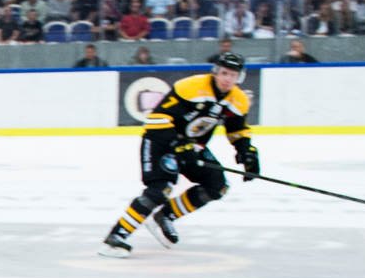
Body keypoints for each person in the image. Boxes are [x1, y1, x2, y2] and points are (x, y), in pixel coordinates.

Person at [99, 53, 257, 258]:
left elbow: (237, 130)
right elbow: (157, 118)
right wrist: (178, 143)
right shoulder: (190, 87)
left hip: (192, 147)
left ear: (240, 77)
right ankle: (116, 238)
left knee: (217, 184)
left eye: (233, 75)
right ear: (216, 71)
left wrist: (247, 152)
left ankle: (166, 215)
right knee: (159, 190)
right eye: (224, 73)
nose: (227, 79)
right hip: (160, 142)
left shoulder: (238, 100)